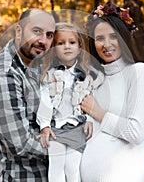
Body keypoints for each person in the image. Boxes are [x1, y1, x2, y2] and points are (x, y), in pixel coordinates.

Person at [80, 4, 144, 181]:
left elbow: (136, 132)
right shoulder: (96, 79)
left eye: (113, 36)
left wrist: (96, 112)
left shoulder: (138, 72)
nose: (106, 44)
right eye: (99, 38)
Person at [0, 8, 56, 181]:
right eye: (37, 31)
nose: (43, 40)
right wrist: (69, 147)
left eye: (49, 35)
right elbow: (20, 143)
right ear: (19, 31)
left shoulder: (30, 64)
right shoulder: (5, 74)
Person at [36, 22, 104, 182]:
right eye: (61, 43)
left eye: (72, 42)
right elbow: (44, 100)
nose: (67, 47)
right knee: (56, 166)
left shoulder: (87, 75)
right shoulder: (49, 74)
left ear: (79, 46)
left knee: (72, 168)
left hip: (77, 128)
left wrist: (89, 119)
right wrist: (44, 125)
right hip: (55, 128)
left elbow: (92, 99)